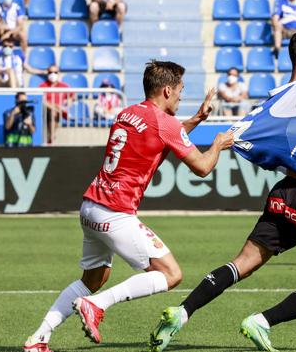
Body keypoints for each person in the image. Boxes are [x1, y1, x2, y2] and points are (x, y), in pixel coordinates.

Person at [149, 0, 296, 352]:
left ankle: (181, 313)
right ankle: (261, 321)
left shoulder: (274, 100)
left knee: (243, 263)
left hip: (285, 195)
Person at [22, 61, 235, 352]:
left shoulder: (128, 113)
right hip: (115, 212)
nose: (181, 97)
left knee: (93, 279)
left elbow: (165, 135)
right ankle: (96, 305)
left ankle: (38, 339)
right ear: (167, 90)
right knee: (171, 274)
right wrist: (218, 144)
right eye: (181, 91)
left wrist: (197, 118)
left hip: (90, 207)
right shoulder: (166, 123)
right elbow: (202, 167)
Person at [39, 65, 72, 144]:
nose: (53, 74)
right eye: (50, 72)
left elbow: (71, 98)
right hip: (46, 110)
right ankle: (52, 137)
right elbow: (42, 100)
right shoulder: (42, 86)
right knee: (52, 110)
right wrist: (57, 108)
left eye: (55, 72)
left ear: (58, 73)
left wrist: (66, 106)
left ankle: (51, 137)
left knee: (54, 112)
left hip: (59, 111)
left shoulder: (65, 86)